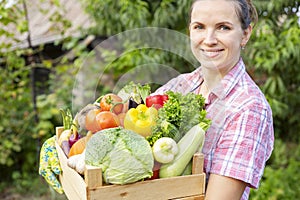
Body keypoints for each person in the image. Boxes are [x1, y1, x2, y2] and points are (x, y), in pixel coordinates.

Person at [39, 0, 274, 199]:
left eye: (223, 27)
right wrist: (68, 143)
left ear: (245, 34)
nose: (209, 39)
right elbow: (119, 126)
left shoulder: (248, 108)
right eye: (199, 27)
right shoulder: (182, 85)